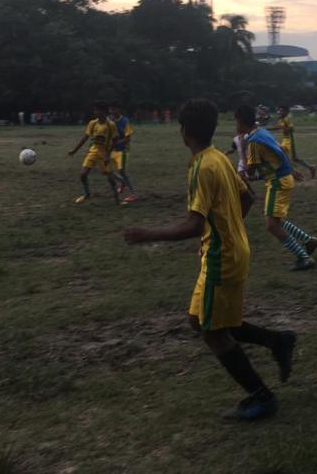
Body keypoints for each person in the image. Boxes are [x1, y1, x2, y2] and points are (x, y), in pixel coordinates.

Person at [124, 98, 295, 421]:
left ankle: (262, 397)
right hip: (225, 251)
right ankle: (278, 341)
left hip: (222, 257)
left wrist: (147, 233)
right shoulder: (218, 158)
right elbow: (248, 195)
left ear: (184, 131)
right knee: (200, 321)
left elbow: (194, 224)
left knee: (213, 330)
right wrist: (228, 229)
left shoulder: (203, 166)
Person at [235, 105, 317, 271]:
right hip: (281, 178)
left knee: (272, 225)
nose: (235, 126)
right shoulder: (262, 132)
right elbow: (279, 152)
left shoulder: (252, 142)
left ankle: (304, 258)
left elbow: (250, 171)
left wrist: (242, 149)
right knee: (276, 220)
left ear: (241, 122)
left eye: (236, 122)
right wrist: (292, 170)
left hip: (277, 182)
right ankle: (309, 241)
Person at [68, 101, 119, 204]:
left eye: (97, 110)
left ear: (104, 111)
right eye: (95, 110)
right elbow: (85, 137)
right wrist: (74, 150)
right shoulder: (93, 123)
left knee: (110, 178)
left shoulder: (111, 125)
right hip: (94, 151)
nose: (95, 112)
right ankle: (87, 194)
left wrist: (108, 155)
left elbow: (115, 141)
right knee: (82, 174)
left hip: (105, 154)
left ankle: (117, 197)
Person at [269, 105, 317, 179]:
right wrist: (268, 129)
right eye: (280, 110)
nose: (280, 112)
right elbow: (278, 127)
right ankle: (311, 167)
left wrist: (285, 128)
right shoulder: (281, 120)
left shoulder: (287, 119)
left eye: (282, 110)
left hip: (289, 140)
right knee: (294, 158)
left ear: (286, 112)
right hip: (285, 140)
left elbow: (292, 129)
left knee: (282, 156)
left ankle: (293, 173)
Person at [109, 102, 138, 203]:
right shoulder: (110, 121)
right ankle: (123, 183)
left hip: (123, 150)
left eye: (114, 109)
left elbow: (127, 139)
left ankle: (133, 194)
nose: (111, 111)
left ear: (119, 109)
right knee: (108, 171)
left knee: (121, 171)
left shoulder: (125, 121)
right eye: (110, 109)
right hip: (112, 150)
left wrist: (116, 143)